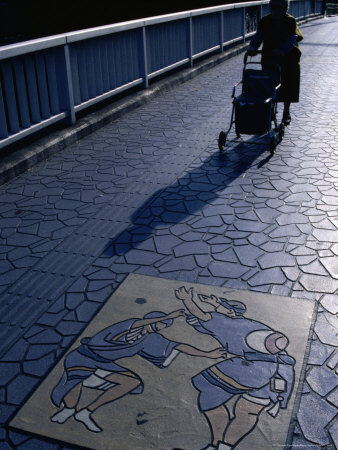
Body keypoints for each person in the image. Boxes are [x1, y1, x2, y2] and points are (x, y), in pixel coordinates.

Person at [50, 309, 226, 433]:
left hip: (104, 363)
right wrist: (168, 315)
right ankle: (68, 410)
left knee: (132, 382)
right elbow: (138, 323)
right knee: (76, 379)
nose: (161, 327)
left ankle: (86, 412)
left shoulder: (148, 339)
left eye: (164, 325)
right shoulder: (128, 325)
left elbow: (178, 345)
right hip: (83, 356)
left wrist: (207, 354)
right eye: (160, 323)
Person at [175, 287, 295, 450]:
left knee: (209, 391)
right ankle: (225, 447)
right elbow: (217, 314)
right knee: (248, 411)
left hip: (249, 371)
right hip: (281, 373)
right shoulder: (252, 324)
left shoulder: (226, 324)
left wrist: (186, 299)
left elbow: (201, 315)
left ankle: (216, 443)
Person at [246, 0, 303, 126]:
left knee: (288, 83)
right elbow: (258, 36)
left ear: (286, 8)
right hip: (270, 55)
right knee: (268, 83)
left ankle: (286, 111)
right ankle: (270, 109)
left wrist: (283, 50)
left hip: (289, 57)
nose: (277, 11)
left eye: (281, 8)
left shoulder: (290, 21)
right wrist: (253, 47)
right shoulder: (265, 20)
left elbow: (292, 38)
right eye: (274, 8)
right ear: (270, 8)